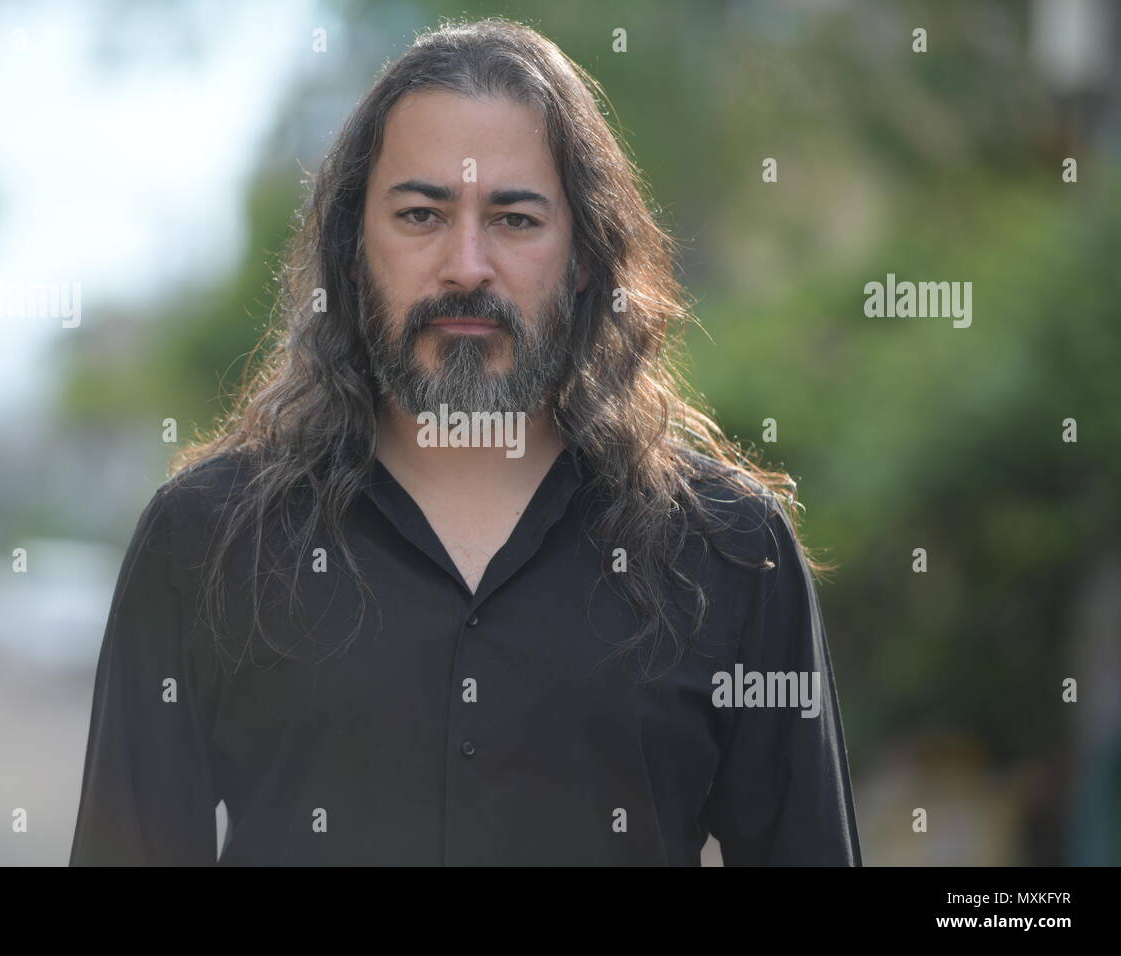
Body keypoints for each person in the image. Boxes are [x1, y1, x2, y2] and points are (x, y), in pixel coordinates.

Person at [69, 17, 862, 866]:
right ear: (353, 249)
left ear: (585, 256)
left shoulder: (733, 553)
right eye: (421, 214)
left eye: (516, 220)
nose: (467, 265)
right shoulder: (205, 542)